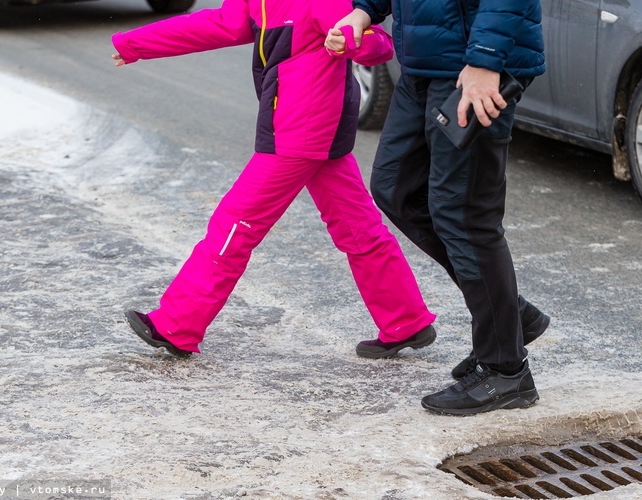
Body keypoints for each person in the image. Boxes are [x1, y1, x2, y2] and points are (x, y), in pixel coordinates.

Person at [110, 0, 437, 361]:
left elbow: (379, 42)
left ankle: (176, 325)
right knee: (357, 226)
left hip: (299, 133)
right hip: (308, 127)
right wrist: (136, 44)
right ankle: (406, 320)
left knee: (234, 226)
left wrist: (350, 40)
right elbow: (215, 25)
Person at [325, 0, 550, 415]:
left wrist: (485, 60)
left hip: (474, 66)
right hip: (424, 61)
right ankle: (512, 318)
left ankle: (506, 371)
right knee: (397, 189)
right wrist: (364, 11)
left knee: (463, 214)